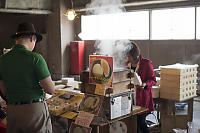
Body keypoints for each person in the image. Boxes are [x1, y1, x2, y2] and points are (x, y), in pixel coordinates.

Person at [0, 22, 55, 133]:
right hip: (33, 111)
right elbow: (50, 89)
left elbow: (3, 90)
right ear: (32, 38)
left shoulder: (2, 60)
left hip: (12, 111)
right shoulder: (35, 58)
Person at [126, 42, 156, 133]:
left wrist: (145, 84)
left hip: (143, 99)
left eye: (129, 56)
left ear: (134, 55)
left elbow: (153, 80)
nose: (127, 58)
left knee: (140, 123)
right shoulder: (126, 64)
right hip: (131, 97)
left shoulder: (146, 63)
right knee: (133, 123)